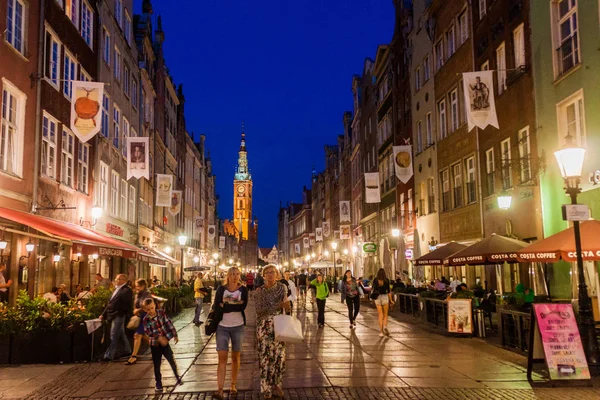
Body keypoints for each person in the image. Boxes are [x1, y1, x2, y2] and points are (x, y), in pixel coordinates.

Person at [254, 264, 290, 399]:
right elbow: (259, 310)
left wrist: (287, 306)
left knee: (279, 357)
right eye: (267, 272)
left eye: (272, 272)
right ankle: (266, 388)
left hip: (279, 325)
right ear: (263, 276)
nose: (270, 274)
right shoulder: (259, 291)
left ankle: (277, 385)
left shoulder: (282, 288)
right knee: (265, 357)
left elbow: (286, 307)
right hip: (264, 327)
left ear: (277, 274)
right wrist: (278, 305)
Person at [213, 267, 248, 400]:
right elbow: (217, 306)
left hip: (238, 326)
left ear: (240, 275)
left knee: (235, 357)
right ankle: (220, 389)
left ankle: (233, 384)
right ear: (227, 275)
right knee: (222, 357)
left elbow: (242, 307)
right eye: (232, 274)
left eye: (237, 274)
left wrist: (226, 305)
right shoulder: (221, 289)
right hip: (222, 326)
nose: (234, 276)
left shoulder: (243, 290)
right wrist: (235, 304)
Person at [142, 298, 181, 392]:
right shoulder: (146, 319)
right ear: (145, 310)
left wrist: (174, 334)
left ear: (154, 305)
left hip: (165, 342)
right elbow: (148, 331)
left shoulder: (161, 313)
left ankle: (177, 376)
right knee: (157, 364)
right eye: (148, 309)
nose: (151, 311)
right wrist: (158, 337)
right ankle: (158, 383)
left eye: (152, 308)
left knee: (171, 359)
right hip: (155, 345)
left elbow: (168, 323)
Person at [100, 274, 133, 361]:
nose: (116, 280)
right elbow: (110, 303)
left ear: (124, 280)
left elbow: (126, 304)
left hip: (118, 315)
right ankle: (127, 350)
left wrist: (120, 313)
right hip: (112, 314)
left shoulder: (127, 290)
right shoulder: (115, 289)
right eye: (116, 279)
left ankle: (109, 355)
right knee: (121, 332)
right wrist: (103, 314)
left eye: (118, 279)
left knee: (113, 335)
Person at [126, 279, 153, 365]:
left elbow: (146, 305)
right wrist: (135, 310)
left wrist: (138, 309)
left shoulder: (147, 295)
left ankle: (133, 356)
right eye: (136, 286)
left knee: (137, 335)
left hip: (145, 317)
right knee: (144, 336)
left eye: (138, 286)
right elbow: (135, 305)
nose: (136, 287)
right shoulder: (137, 295)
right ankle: (158, 348)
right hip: (139, 317)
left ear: (143, 286)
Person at [372, 268, 394, 337]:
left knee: (380, 315)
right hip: (385, 297)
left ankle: (381, 332)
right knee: (385, 314)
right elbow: (389, 292)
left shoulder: (375, 280)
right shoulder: (386, 280)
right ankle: (385, 326)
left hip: (377, 297)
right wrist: (391, 300)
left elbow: (373, 289)